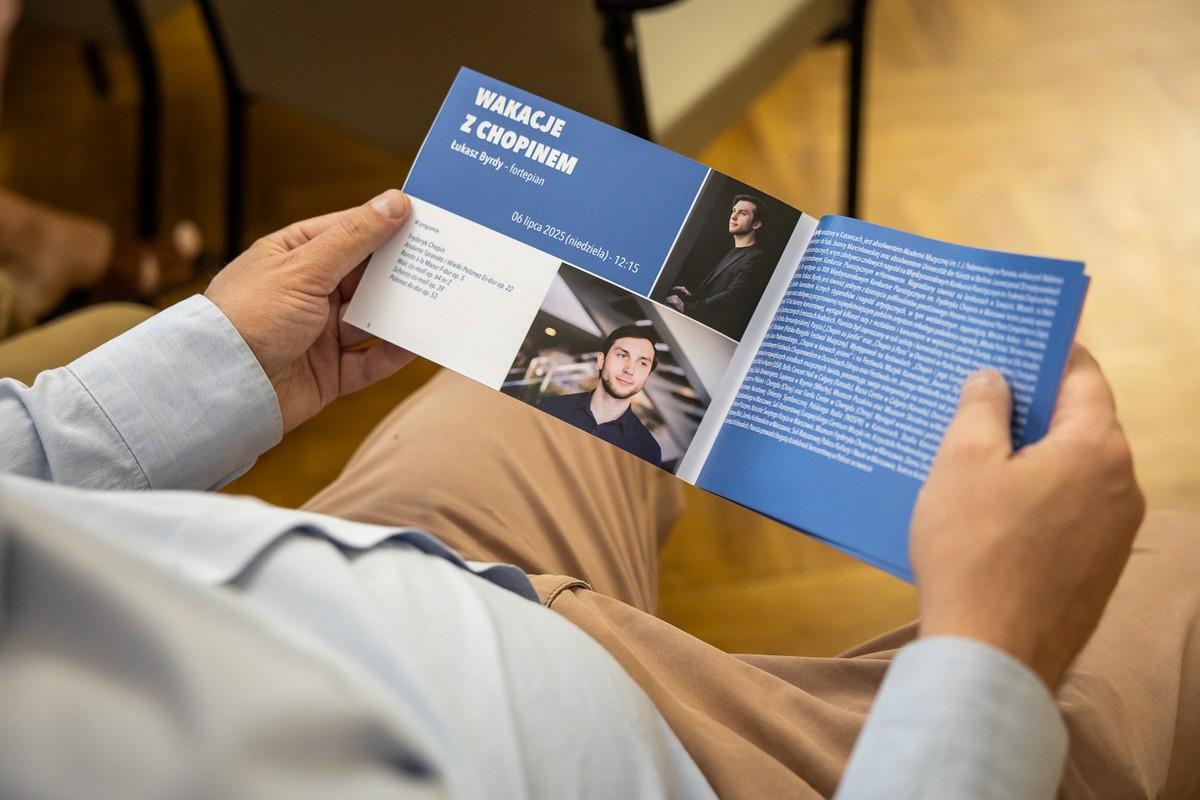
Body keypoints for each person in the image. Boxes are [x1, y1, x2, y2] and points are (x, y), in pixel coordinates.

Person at [0, 190, 1196, 798]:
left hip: (354, 590)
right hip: (641, 759)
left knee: (527, 385)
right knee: (1176, 575)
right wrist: (992, 661)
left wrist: (202, 366)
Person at [535, 324, 663, 467]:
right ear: (601, 360)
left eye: (642, 363)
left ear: (647, 377)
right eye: (622, 355)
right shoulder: (551, 408)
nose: (630, 370)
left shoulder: (647, 451)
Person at [664, 194, 771, 339]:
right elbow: (718, 292)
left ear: (756, 224)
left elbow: (733, 297)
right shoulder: (734, 252)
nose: (733, 217)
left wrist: (688, 307)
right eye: (734, 211)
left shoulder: (757, 258)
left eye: (743, 213)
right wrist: (691, 296)